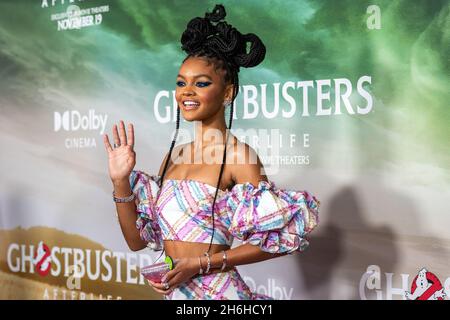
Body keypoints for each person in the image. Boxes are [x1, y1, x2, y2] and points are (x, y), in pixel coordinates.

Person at [103, 4, 320, 300]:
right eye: (181, 83)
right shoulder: (174, 157)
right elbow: (136, 242)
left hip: (221, 296)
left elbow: (276, 240)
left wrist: (202, 264)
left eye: (201, 83)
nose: (186, 92)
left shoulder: (239, 156)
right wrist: (120, 181)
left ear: (227, 92)